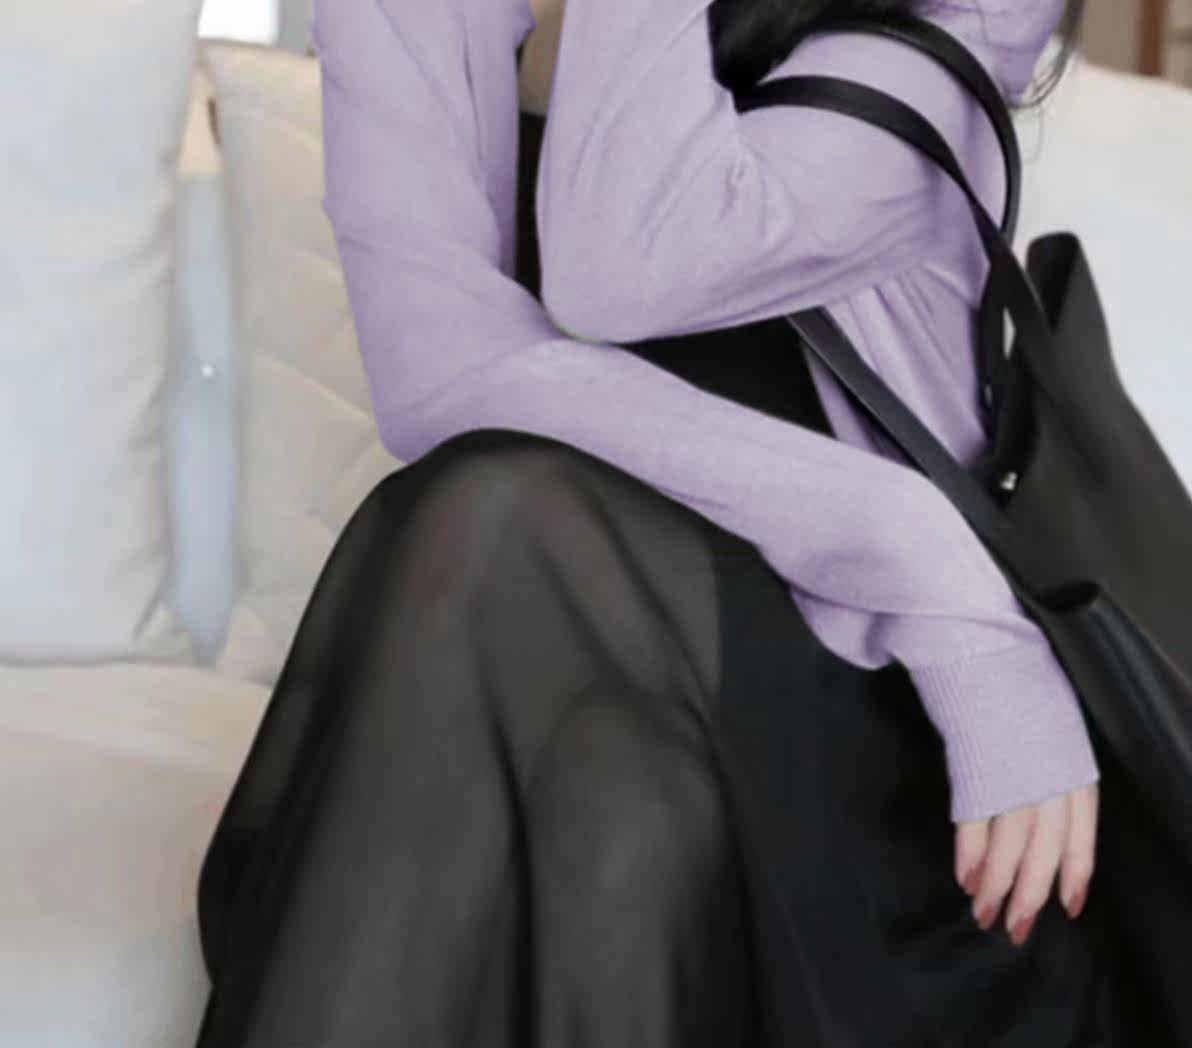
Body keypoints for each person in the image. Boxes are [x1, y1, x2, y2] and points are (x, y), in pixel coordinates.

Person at [192, 0, 1110, 1044]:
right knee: (608, 798)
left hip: (872, 727)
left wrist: (932, 577)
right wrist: (908, 536)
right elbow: (437, 372)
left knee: (501, 539)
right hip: (574, 686)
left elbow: (623, 266)